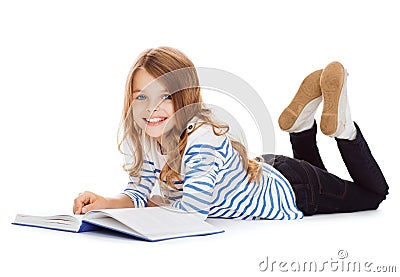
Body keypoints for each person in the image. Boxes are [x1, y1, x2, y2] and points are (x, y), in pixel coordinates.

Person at [73, 46, 388, 220]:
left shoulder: (201, 140)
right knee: (323, 177)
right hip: (262, 170)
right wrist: (107, 202)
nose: (150, 108)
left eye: (164, 96)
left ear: (184, 98)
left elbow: (192, 214)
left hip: (292, 189)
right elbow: (139, 193)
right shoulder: (147, 135)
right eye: (141, 96)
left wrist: (144, 208)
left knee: (373, 196)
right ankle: (301, 127)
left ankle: (343, 127)